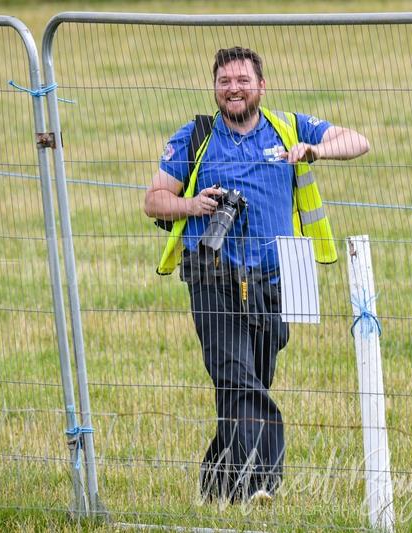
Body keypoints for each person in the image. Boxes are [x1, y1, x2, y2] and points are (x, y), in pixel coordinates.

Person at [143, 46, 369, 503]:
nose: (234, 89)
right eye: (225, 81)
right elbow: (153, 200)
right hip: (211, 274)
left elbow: (359, 140)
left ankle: (215, 486)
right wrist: (193, 204)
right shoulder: (196, 137)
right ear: (215, 88)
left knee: (249, 383)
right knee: (236, 375)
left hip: (274, 277)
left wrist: (315, 150)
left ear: (261, 87)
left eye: (243, 80)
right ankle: (261, 482)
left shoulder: (289, 127)